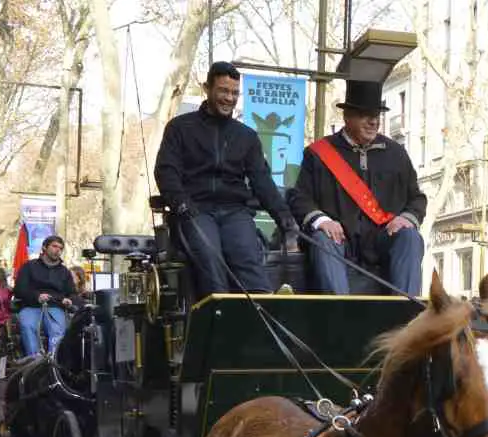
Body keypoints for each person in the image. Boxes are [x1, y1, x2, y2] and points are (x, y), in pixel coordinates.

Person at [154, 62, 297, 298]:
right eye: (223, 91)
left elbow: (262, 182)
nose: (228, 98)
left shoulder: (246, 136)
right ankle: (219, 318)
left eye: (234, 93)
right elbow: (166, 171)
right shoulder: (180, 128)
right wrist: (180, 203)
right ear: (207, 88)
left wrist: (286, 220)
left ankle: (263, 314)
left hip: (234, 211)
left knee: (247, 256)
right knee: (211, 259)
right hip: (195, 209)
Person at [288, 80, 427, 296]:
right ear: (347, 117)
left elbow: (416, 199)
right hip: (339, 240)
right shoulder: (318, 154)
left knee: (410, 237)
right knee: (324, 239)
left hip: (382, 240)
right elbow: (299, 197)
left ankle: (406, 315)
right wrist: (322, 221)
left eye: (377, 115)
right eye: (365, 115)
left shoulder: (396, 154)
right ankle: (339, 316)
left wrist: (406, 218)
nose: (373, 121)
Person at [12, 235, 77, 355]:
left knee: (57, 330)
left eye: (60, 248)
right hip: (31, 306)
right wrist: (37, 296)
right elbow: (19, 290)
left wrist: (69, 300)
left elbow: (72, 293)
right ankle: (34, 360)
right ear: (44, 247)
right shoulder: (29, 267)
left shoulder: (64, 271)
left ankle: (53, 362)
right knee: (27, 326)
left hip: (55, 306)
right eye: (54, 246)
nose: (58, 250)